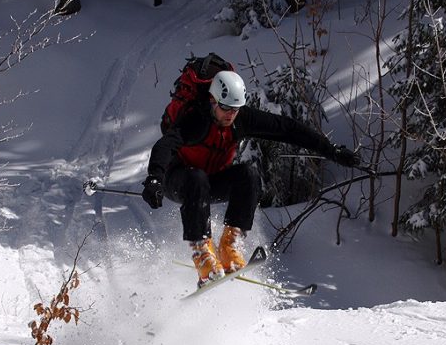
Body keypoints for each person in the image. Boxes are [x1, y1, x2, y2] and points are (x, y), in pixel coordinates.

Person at [142, 70, 360, 286]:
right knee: (197, 179)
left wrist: (331, 151)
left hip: (211, 181)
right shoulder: (196, 120)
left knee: (248, 175)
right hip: (178, 181)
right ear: (213, 101)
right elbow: (165, 145)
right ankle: (202, 254)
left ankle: (229, 246)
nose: (230, 114)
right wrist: (155, 179)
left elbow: (288, 129)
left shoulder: (241, 119)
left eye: (235, 109)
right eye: (226, 108)